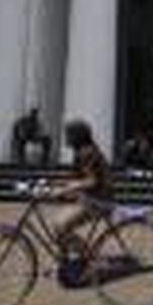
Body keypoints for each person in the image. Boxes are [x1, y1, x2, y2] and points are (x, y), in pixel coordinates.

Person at [50, 119, 113, 280]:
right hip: (90, 199)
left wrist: (66, 188)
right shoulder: (82, 152)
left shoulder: (87, 153)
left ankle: (92, 259)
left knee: (61, 227)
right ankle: (65, 263)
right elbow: (78, 177)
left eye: (68, 134)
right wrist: (55, 183)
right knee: (57, 224)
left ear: (77, 136)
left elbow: (91, 181)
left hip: (98, 201)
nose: (66, 137)